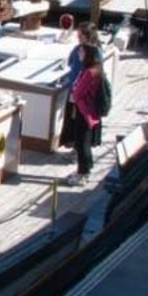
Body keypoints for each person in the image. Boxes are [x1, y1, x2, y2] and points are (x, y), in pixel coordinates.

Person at [65, 46, 106, 186]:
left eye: (81, 52)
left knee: (81, 144)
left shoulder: (89, 73)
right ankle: (85, 170)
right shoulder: (97, 70)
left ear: (87, 55)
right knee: (85, 143)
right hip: (91, 113)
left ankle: (82, 173)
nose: (79, 54)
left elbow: (77, 93)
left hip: (84, 113)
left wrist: (75, 92)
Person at [59, 22, 99, 149]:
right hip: (78, 89)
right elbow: (71, 63)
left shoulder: (91, 51)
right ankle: (73, 143)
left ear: (87, 36)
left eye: (80, 35)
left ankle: (78, 148)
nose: (78, 37)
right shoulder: (81, 49)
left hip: (83, 92)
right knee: (75, 119)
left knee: (81, 121)